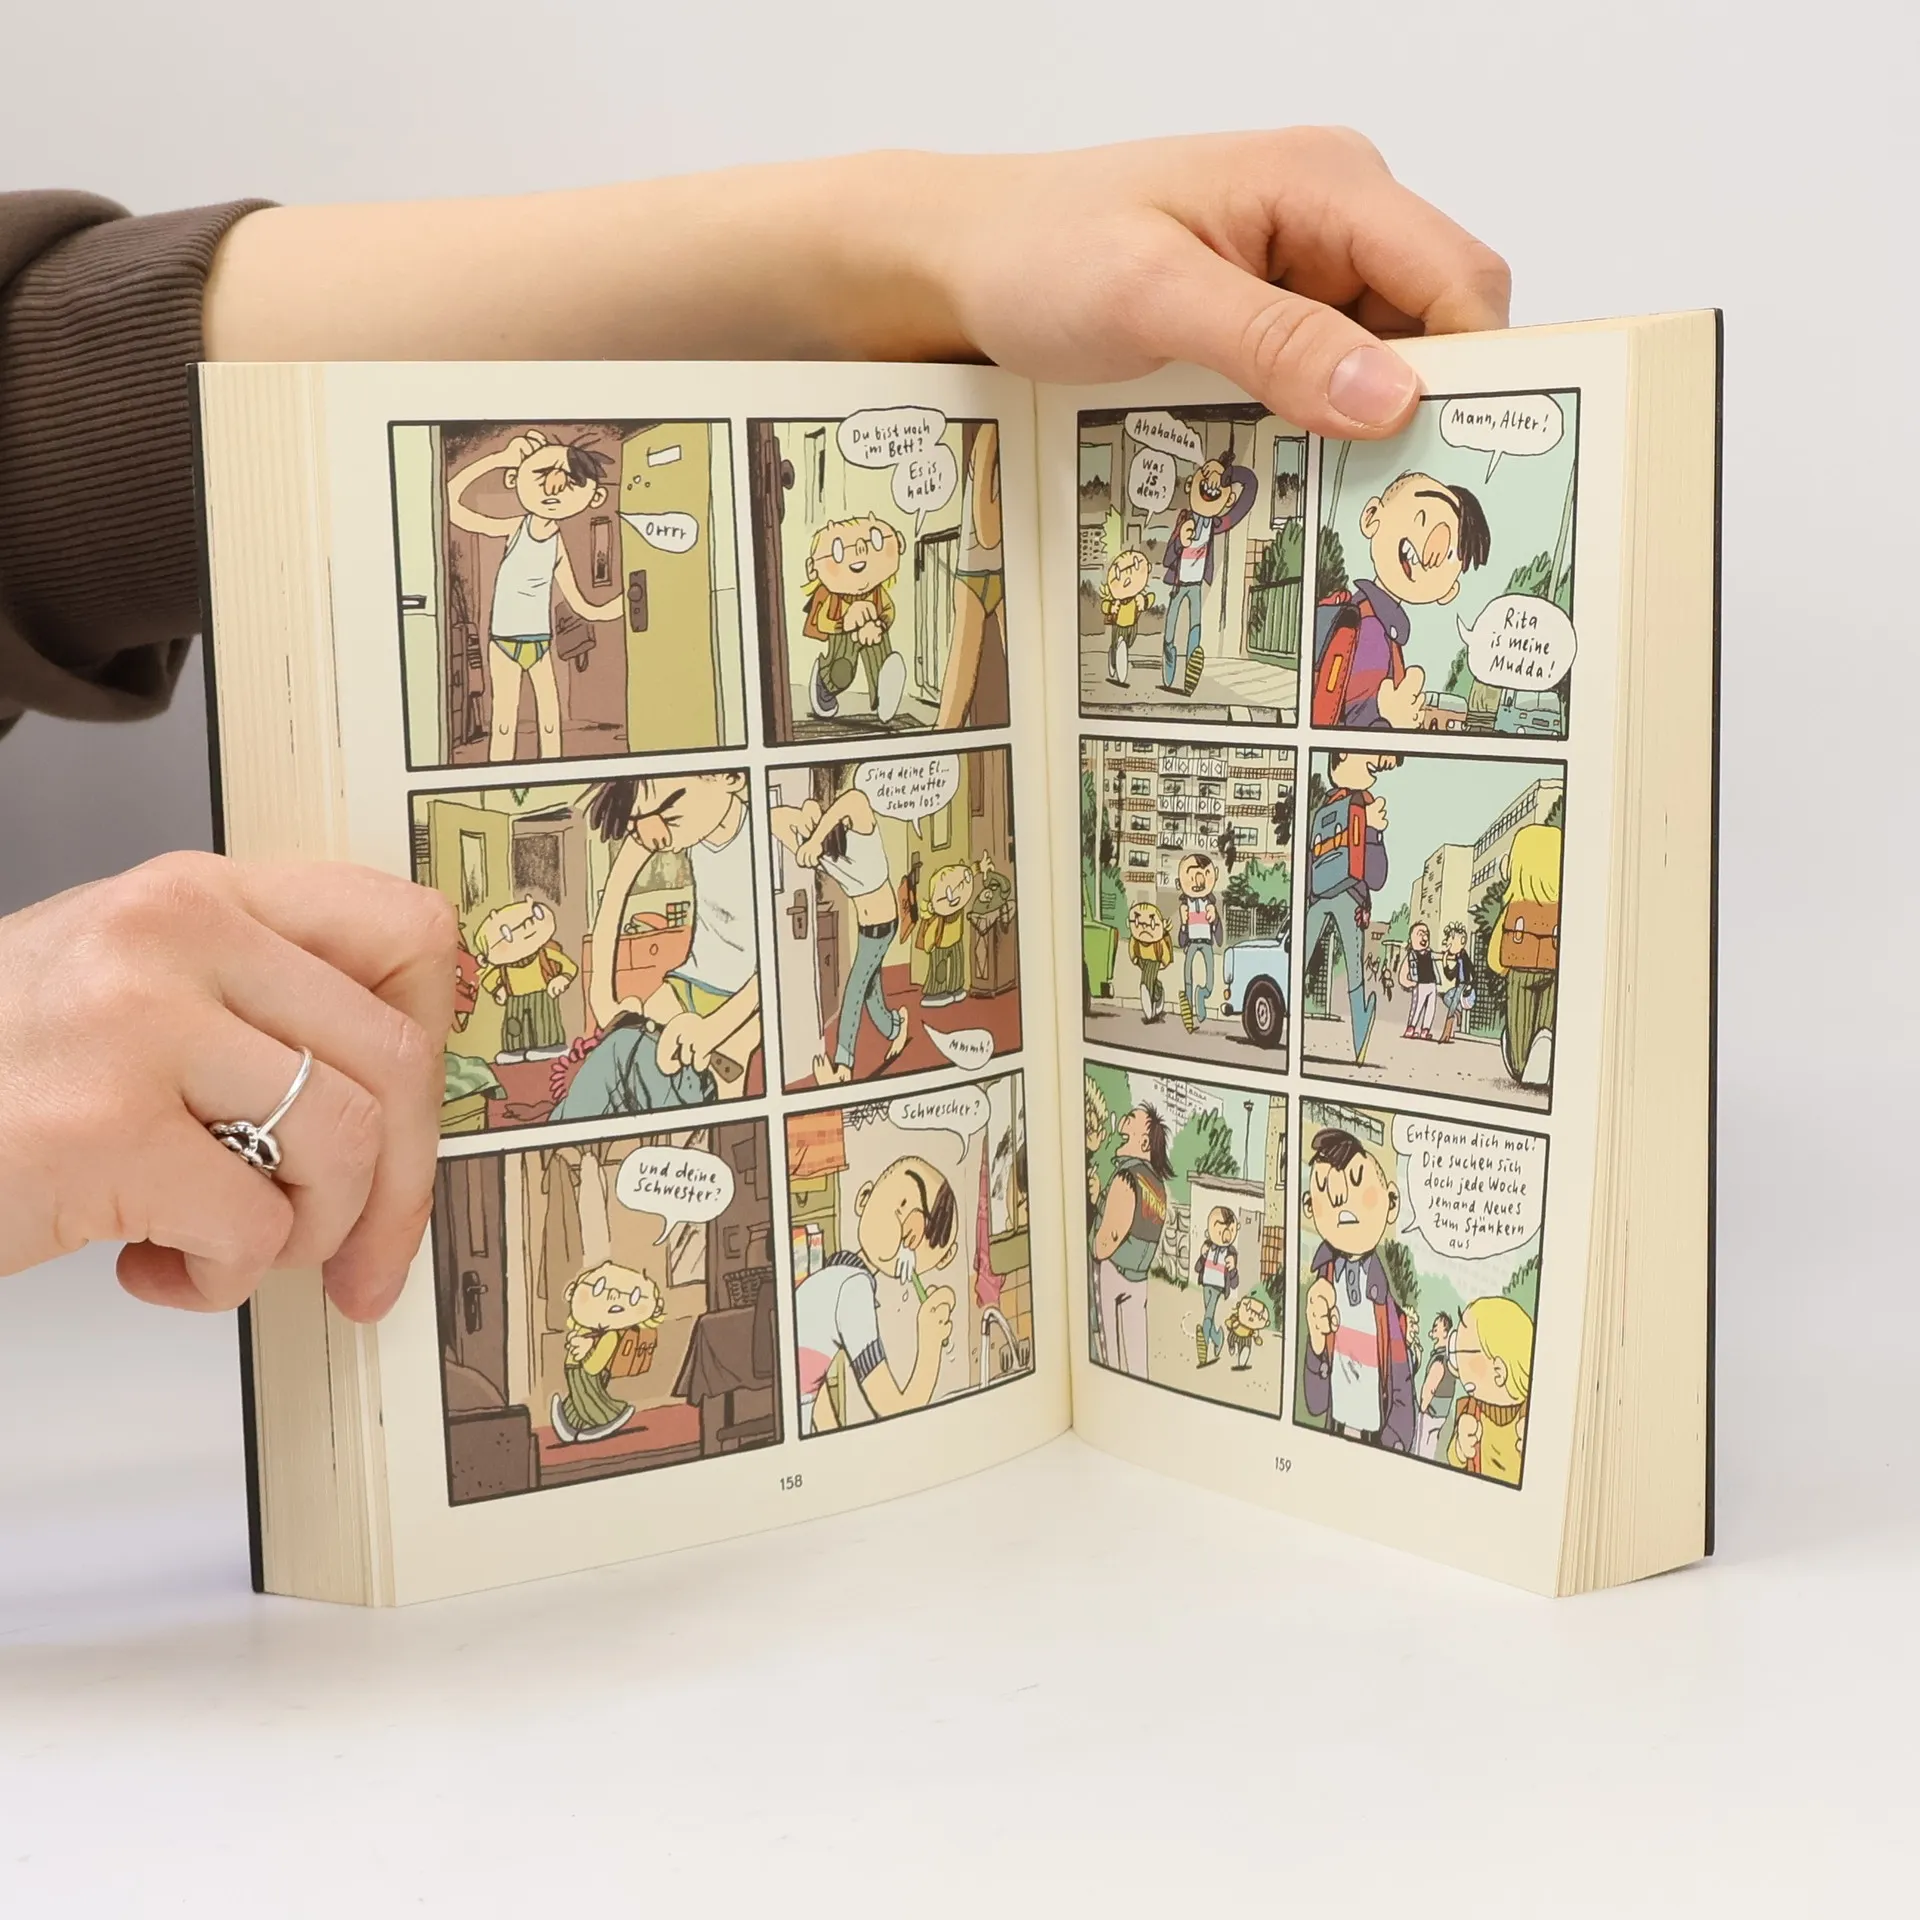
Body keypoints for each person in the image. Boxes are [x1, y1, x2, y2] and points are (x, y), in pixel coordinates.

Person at [0, 135, 1509, 1317]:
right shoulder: (723, 851)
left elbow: (50, 412)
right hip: (726, 1005)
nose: (673, 820)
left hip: (748, 989)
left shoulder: (757, 829)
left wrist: (910, 237)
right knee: (667, 1029)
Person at [549, 772, 761, 1119]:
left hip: (749, 998)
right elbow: (612, 901)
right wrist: (602, 997)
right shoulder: (675, 825)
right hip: (688, 981)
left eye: (669, 813)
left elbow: (778, 962)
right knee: (622, 1055)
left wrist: (716, 1028)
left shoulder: (765, 836)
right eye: (637, 824)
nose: (654, 835)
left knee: (719, 1100)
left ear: (729, 778)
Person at [446, 431, 624, 762]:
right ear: (514, 479)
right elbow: (451, 504)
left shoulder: (557, 545)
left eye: (571, 482)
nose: (554, 489)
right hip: (503, 642)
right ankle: (500, 778)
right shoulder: (514, 528)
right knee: (504, 724)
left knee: (550, 723)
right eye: (541, 477)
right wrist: (499, 459)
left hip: (540, 642)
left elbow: (582, 604)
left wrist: (617, 607)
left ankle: (552, 773)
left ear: (595, 497)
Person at [1310, 469, 1491, 730]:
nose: (1432, 551)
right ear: (1372, 517)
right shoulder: (1372, 628)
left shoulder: (1378, 622)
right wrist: (1392, 719)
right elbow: (1359, 726)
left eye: (1451, 552)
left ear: (1449, 591)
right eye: (1421, 515)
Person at [792, 1155, 959, 1434]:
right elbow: (895, 1410)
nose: (911, 1232)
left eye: (929, 1234)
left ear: (943, 1258)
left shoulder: (836, 1273)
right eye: (902, 1205)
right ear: (864, 1199)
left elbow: (810, 1378)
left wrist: (834, 1437)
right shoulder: (852, 1288)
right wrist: (930, 1343)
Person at [771, 777, 910, 1085]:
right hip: (866, 929)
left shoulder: (861, 832)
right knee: (870, 991)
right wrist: (801, 823)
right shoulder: (824, 856)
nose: (809, 826)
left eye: (816, 817)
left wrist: (814, 837)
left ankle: (844, 1065)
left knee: (855, 989)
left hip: (884, 927)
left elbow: (854, 798)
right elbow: (774, 819)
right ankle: (895, 1026)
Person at [1300, 1126, 1416, 1450]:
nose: (1340, 1201)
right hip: (1335, 1423)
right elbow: (1314, 1399)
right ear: (1309, 1206)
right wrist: (1317, 1341)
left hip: (1374, 1432)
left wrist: (1396, 1438)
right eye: (1325, 1189)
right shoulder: (1324, 1283)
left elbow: (1399, 1369)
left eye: (1355, 1182)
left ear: (1391, 1202)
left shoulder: (1381, 1294)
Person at [1303, 750, 1398, 1062]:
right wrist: (1374, 832)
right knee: (1355, 970)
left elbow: (1311, 857)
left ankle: (1282, 1010)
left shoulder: (1323, 809)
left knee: (1301, 956)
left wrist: (1311, 896)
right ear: (1342, 754)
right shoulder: (1363, 807)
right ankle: (1359, 1033)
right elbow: (1377, 876)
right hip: (1351, 894)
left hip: (1319, 894)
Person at [1159, 452, 1259, 694]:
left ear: (1228, 498)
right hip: (1178, 585)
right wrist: (1180, 542)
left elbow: (1250, 486)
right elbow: (1167, 558)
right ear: (1190, 485)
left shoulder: (1216, 524)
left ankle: (1190, 674)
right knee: (1170, 630)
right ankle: (1168, 676)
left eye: (1219, 484)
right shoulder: (1184, 520)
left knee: (1195, 629)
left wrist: (1227, 475)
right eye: (1205, 477)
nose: (1211, 484)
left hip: (1196, 586)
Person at [1089, 1103, 1171, 1378]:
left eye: (1131, 1119)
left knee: (1111, 1353)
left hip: (1113, 1270)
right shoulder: (1158, 1186)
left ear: (1144, 1142)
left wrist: (1095, 1243)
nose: (1123, 1121)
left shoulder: (1127, 1177)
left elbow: (1107, 1241)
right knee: (1136, 1353)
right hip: (1139, 1278)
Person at [802, 516, 908, 723]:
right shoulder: (833, 596)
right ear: (813, 567)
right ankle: (825, 685)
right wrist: (844, 623)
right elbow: (823, 621)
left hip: (873, 630)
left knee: (880, 659)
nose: (860, 550)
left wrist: (880, 625)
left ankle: (884, 695)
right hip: (843, 635)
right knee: (842, 670)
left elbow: (889, 610)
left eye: (876, 541)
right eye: (838, 551)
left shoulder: (877, 593)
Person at [1487, 823, 1562, 1086]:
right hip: (1553, 971)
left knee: (1520, 1024)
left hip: (1520, 971)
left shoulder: (1515, 907)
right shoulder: (1560, 910)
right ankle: (1545, 1043)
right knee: (1545, 1023)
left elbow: (1495, 954)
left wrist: (1500, 967)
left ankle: (1520, 1063)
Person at [472, 897, 577, 1065]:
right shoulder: (503, 966)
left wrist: (562, 979)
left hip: (542, 995)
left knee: (544, 1023)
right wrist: (497, 989)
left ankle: (549, 1046)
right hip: (515, 1000)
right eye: (507, 934)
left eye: (537, 914)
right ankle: (514, 1050)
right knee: (515, 1027)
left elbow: (569, 967)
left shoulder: (545, 953)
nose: (525, 930)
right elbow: (488, 978)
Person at [1446, 1296, 1534, 1484]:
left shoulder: (1531, 1416)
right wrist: (1460, 1448)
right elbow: (1453, 1460)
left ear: (1499, 1372)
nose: (1455, 1361)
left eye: (1463, 1351)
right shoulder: (1468, 1410)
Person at [915, 859, 980, 1009]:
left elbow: (966, 876)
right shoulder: (938, 913)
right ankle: (936, 993)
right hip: (940, 943)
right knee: (939, 968)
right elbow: (930, 929)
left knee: (958, 963)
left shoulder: (959, 901)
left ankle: (956, 988)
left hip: (956, 939)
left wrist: (978, 867)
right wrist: (929, 944)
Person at [1174, 851, 1223, 1031]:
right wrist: (1184, 924)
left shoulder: (1210, 904)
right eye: (1191, 875)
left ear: (1214, 875)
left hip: (1207, 943)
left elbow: (1219, 935)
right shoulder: (1185, 906)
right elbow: (1181, 941)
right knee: (1187, 977)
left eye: (1204, 874)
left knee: (1210, 980)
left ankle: (1202, 995)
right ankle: (1189, 1012)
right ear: (1180, 882)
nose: (1198, 881)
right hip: (1192, 944)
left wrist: (1215, 919)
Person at [1192, 1204, 1240, 1367]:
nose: (1225, 1235)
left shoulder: (1231, 1253)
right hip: (1206, 1283)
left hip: (1218, 1286)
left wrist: (1233, 1268)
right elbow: (1197, 1268)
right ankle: (1218, 1338)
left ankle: (1204, 1345)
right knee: (1210, 1316)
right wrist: (1202, 1255)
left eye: (1229, 1230)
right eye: (1220, 1231)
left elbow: (1235, 1282)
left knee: (1208, 1315)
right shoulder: (1208, 1247)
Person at [1099, 548, 1155, 686]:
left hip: (1132, 626)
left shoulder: (1137, 598)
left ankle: (1114, 655)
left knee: (1128, 643)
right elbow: (1104, 605)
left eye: (1136, 565)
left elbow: (1151, 598)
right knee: (1118, 644)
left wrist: (1144, 601)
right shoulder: (1116, 600)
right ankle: (1115, 661)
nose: (1128, 577)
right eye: (1118, 574)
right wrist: (1111, 608)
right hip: (1118, 626)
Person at [1415, 1309, 1457, 1459]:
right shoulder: (1450, 1361)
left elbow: (1430, 1388)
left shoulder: (1440, 1359)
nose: (1433, 1328)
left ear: (1445, 1332)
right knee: (1430, 1449)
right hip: (1441, 1415)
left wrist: (1422, 1407)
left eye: (1436, 1326)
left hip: (1430, 1413)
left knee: (1421, 1448)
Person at [1126, 900, 1173, 1023]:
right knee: (1148, 982)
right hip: (1142, 960)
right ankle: (1157, 993)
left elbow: (1165, 953)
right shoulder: (1135, 939)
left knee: (1146, 984)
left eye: (1151, 924)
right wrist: (1134, 958)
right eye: (1137, 922)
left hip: (1154, 961)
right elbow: (1132, 947)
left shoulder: (1159, 942)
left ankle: (1150, 1011)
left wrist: (1163, 962)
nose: (1144, 928)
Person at [1399, 919, 1440, 1039]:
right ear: (1412, 939)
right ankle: (1411, 1028)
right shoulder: (1411, 956)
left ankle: (1425, 1030)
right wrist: (1409, 983)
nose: (1424, 937)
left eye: (1426, 934)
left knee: (1430, 1008)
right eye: (1420, 934)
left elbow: (1439, 956)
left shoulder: (1430, 953)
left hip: (1432, 984)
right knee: (1417, 1007)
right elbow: (1403, 974)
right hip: (1420, 985)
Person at [1437, 921, 1476, 1043]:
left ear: (1462, 941)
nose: (1449, 946)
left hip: (1464, 986)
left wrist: (1471, 985)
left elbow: (1473, 972)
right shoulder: (1459, 959)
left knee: (1452, 1005)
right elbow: (1450, 975)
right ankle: (1458, 1013)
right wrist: (1444, 961)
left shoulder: (1465, 958)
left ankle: (1446, 1034)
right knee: (1446, 997)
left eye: (1451, 942)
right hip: (1459, 985)